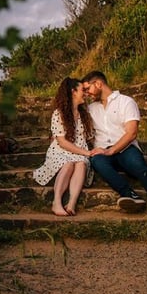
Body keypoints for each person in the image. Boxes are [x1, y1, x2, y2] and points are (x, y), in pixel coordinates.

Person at [81, 70, 147, 216]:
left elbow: (131, 133)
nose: (86, 93)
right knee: (96, 160)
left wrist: (111, 150)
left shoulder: (126, 102)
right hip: (103, 152)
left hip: (125, 148)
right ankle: (131, 195)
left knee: (139, 166)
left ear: (98, 83)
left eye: (87, 88)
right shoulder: (90, 109)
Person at [32, 77, 95, 216]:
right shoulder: (59, 113)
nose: (85, 93)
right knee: (68, 164)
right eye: (82, 90)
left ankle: (71, 203)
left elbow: (90, 137)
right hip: (61, 150)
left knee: (81, 164)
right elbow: (62, 142)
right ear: (73, 92)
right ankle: (57, 202)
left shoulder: (84, 114)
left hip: (79, 150)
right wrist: (86, 152)